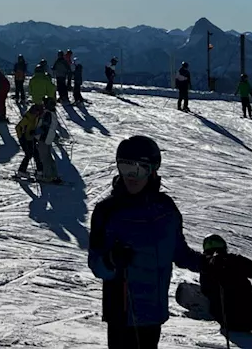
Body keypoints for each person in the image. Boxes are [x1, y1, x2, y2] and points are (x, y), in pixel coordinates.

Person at [88, 136, 202, 349]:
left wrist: (208, 264)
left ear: (152, 170)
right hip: (122, 314)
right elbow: (96, 264)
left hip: (153, 313)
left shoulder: (166, 209)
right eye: (125, 167)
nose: (132, 176)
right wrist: (112, 260)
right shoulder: (107, 211)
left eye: (140, 169)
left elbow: (179, 253)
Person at [35, 96, 61, 183]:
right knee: (48, 157)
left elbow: (44, 127)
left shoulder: (47, 114)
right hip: (49, 138)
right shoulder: (53, 113)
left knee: (44, 157)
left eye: (45, 103)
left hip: (44, 138)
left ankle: (48, 176)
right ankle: (54, 174)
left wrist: (34, 132)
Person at [15, 103, 43, 176]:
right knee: (29, 154)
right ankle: (21, 170)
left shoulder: (36, 117)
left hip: (31, 138)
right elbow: (18, 127)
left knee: (36, 154)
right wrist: (21, 137)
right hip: (25, 139)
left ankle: (40, 170)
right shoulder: (27, 118)